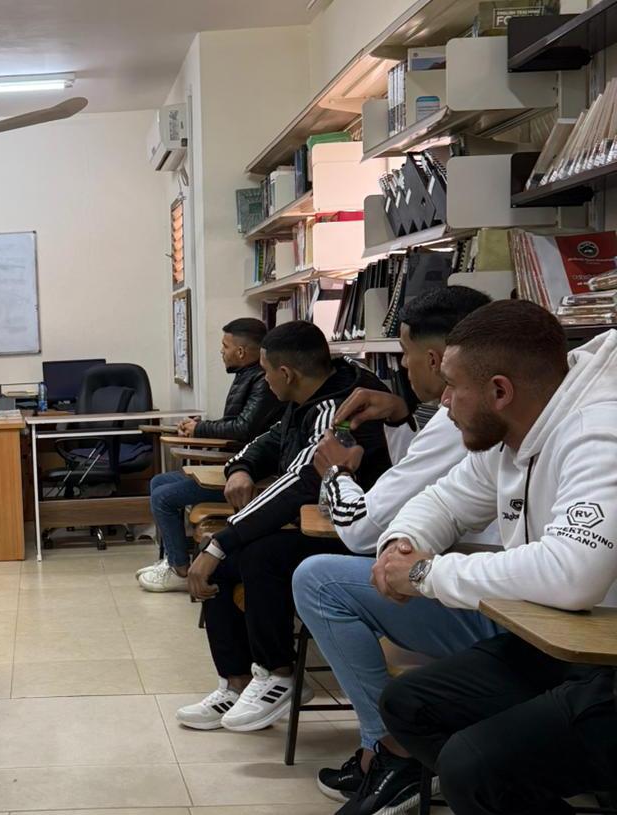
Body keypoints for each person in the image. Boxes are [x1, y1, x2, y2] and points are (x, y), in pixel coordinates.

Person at [352, 302, 617, 815]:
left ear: (500, 391)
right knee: (409, 705)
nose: (443, 400)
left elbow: (574, 573)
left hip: (606, 662)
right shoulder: (516, 429)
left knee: (471, 765)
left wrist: (424, 573)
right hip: (559, 644)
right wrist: (401, 543)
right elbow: (443, 500)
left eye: (453, 386)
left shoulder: (598, 430)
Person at [290, 286, 502, 811]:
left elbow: (361, 530)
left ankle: (390, 749)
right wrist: (402, 417)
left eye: (404, 354)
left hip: (503, 612)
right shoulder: (474, 421)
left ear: (436, 359)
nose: (402, 368)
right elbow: (434, 498)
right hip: (494, 595)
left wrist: (335, 474)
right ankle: (385, 748)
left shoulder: (460, 422)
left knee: (316, 579)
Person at [176, 321, 391, 733]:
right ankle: (236, 681)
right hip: (322, 521)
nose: (264, 380)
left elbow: (301, 481)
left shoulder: (339, 409)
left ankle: (278, 674)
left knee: (259, 555)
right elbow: (271, 439)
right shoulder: (305, 400)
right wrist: (241, 468)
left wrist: (221, 541)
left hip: (356, 533)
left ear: (286, 373)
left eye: (265, 372)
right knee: (224, 562)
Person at [138, 317, 283, 591]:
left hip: (253, 477)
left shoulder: (263, 381)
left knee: (163, 497)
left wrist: (200, 429)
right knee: (159, 482)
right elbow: (239, 424)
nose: (221, 351)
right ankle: (173, 560)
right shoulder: (248, 376)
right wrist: (199, 427)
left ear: (241, 351)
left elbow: (242, 429)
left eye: (225, 346)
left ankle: (180, 571)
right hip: (239, 465)